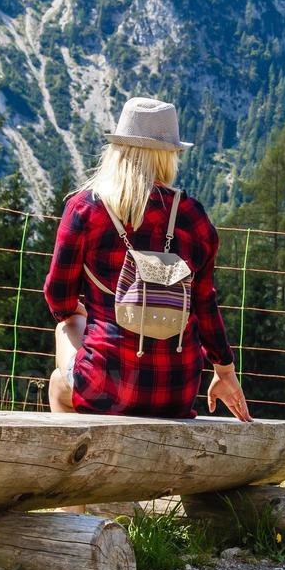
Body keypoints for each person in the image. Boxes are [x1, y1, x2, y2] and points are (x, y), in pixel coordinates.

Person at [43, 96, 251, 421]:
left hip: (105, 385)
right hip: (176, 391)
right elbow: (205, 305)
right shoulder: (192, 216)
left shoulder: (85, 209)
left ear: (118, 149)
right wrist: (224, 372)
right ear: (169, 155)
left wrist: (78, 313)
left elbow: (58, 296)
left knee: (60, 372)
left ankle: (79, 464)